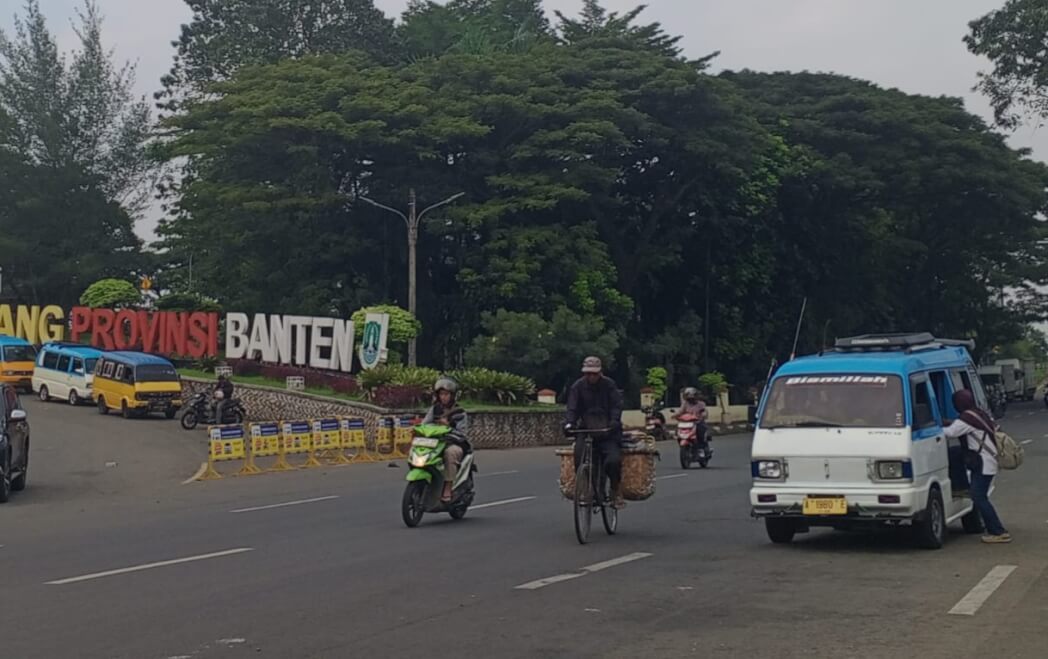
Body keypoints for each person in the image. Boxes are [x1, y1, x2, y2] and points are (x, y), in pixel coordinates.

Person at [944, 389, 1011, 544]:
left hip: (983, 462)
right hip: (987, 460)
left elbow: (950, 432)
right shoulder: (978, 413)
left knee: (979, 497)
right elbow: (958, 426)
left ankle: (998, 531)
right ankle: (995, 529)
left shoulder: (966, 418)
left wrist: (933, 427)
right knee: (955, 453)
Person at [564, 356, 625, 509]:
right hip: (586, 429)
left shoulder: (609, 385)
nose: (591, 376)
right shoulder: (577, 387)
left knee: (613, 460)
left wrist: (614, 421)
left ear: (600, 372)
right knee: (579, 457)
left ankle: (615, 490)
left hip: (607, 431)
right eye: (588, 373)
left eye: (594, 373)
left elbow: (616, 406)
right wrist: (569, 423)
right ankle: (586, 487)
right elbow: (572, 408)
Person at [422, 377, 469, 504]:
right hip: (436, 443)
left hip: (454, 444)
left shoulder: (460, 413)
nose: (444, 397)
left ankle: (448, 487)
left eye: (446, 394)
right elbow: (424, 424)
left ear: (452, 396)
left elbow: (462, 434)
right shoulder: (435, 409)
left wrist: (448, 426)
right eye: (441, 394)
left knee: (450, 453)